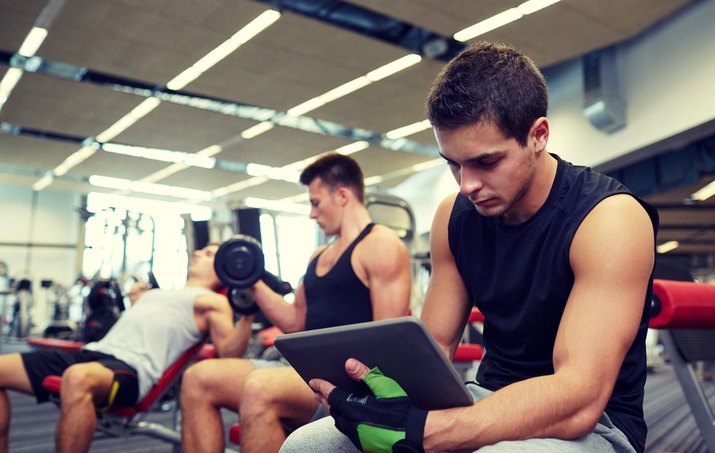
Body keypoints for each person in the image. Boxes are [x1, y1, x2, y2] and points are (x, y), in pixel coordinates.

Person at [280, 41, 659, 453]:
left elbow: (579, 399)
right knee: (307, 445)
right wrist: (370, 398)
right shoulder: (454, 216)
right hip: (486, 397)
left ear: (538, 135)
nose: (467, 185)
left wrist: (430, 432)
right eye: (453, 163)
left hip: (595, 425)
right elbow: (433, 349)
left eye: (486, 162)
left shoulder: (609, 220)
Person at [180, 153, 412, 453]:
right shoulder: (318, 256)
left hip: (341, 383)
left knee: (259, 388)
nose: (312, 214)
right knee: (198, 378)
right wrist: (250, 279)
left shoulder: (380, 244)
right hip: (296, 371)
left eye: (315, 203)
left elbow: (387, 341)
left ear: (342, 196)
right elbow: (294, 322)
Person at [0, 243, 252, 453]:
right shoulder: (159, 293)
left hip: (130, 368)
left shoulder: (213, 302)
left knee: (76, 378)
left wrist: (248, 315)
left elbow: (229, 354)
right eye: (201, 250)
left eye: (208, 254)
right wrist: (138, 299)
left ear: (224, 269)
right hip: (92, 353)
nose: (198, 253)